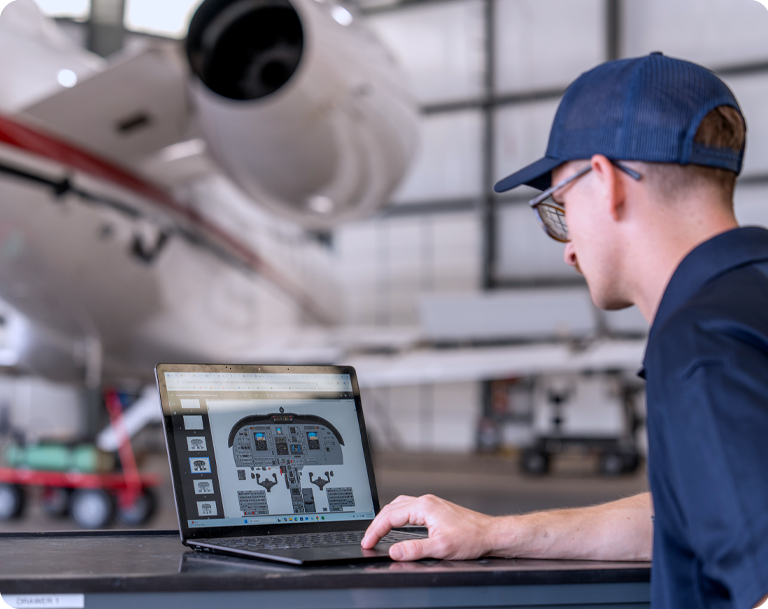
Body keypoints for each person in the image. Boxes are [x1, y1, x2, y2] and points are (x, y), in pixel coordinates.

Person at [361, 52, 768, 609]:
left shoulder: (702, 344)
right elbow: (706, 510)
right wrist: (494, 534)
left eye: (559, 208)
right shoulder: (750, 298)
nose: (569, 248)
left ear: (605, 182)